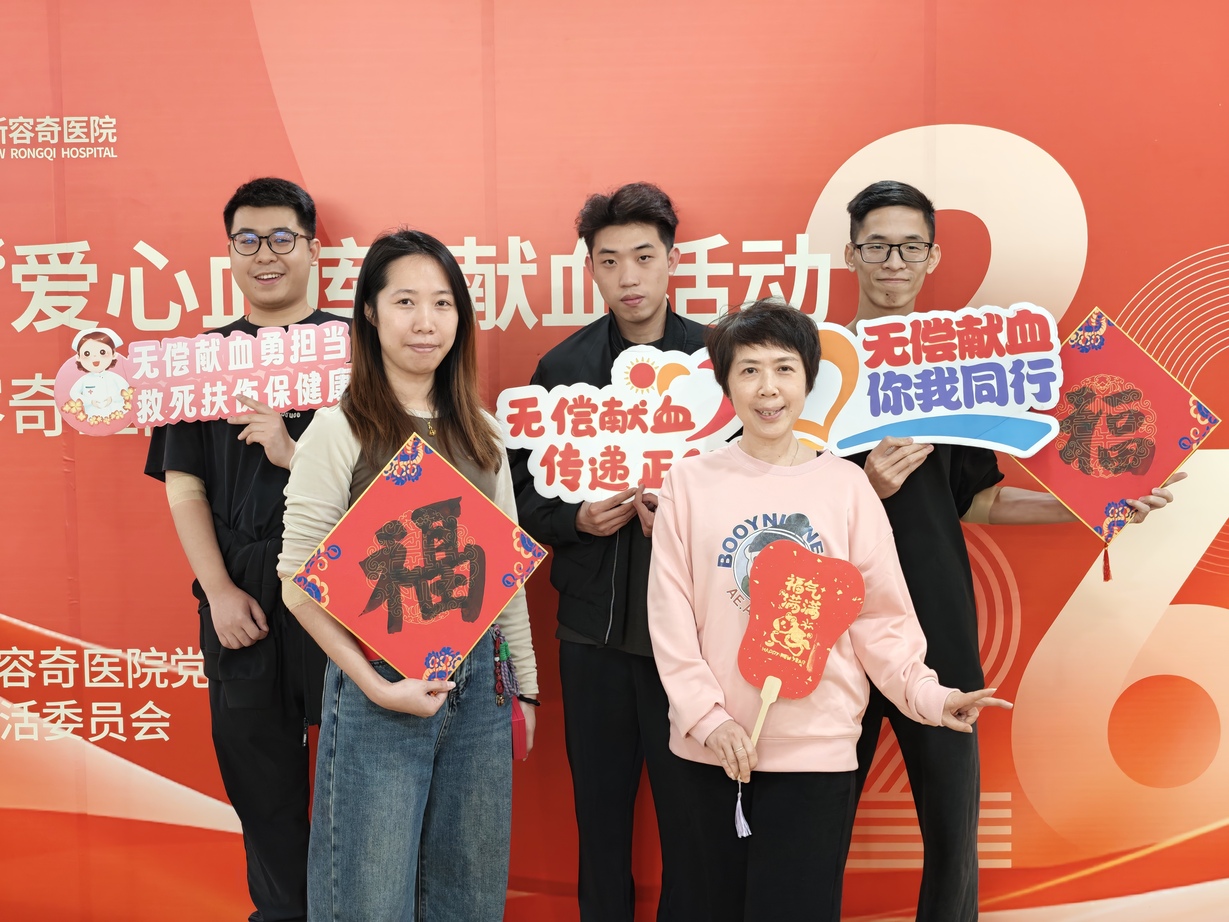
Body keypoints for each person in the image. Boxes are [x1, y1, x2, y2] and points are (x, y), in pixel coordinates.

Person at [842, 180, 1184, 922]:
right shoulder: (809, 369)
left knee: (951, 838)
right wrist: (861, 486)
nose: (893, 262)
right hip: (830, 627)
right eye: (878, 246)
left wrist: (1096, 503)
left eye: (910, 246)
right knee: (812, 828)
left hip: (937, 623)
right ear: (851, 254)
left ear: (932, 258)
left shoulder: (950, 373)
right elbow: (771, 504)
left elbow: (977, 500)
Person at [646, 300, 1011, 922]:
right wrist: (708, 720)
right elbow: (671, 619)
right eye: (749, 370)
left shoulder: (846, 486)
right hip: (714, 749)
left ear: (808, 381)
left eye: (784, 369)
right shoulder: (689, 482)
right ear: (726, 384)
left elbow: (879, 618)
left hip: (817, 752)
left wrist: (931, 697)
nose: (768, 388)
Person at [277, 228, 538, 921]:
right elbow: (297, 579)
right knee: (369, 898)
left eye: (443, 303)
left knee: (469, 895)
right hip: (377, 680)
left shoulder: (482, 431)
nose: (426, 321)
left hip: (480, 688)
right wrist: (374, 687)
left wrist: (525, 688)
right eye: (405, 302)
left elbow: (504, 573)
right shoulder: (340, 428)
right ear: (369, 312)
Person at [509, 182, 705, 921]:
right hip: (591, 633)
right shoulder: (562, 371)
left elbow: (761, 486)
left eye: (644, 257)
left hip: (693, 637)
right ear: (589, 268)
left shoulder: (718, 363)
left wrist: (688, 517)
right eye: (610, 260)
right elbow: (519, 499)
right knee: (599, 819)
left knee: (693, 822)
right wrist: (575, 519)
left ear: (672, 261)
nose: (629, 277)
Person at [145, 177, 336, 922]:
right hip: (242, 590)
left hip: (343, 580)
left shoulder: (353, 348)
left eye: (283, 238)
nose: (266, 255)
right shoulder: (202, 358)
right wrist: (218, 592)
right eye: (248, 240)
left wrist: (297, 451)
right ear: (229, 252)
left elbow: (394, 474)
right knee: (259, 777)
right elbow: (183, 487)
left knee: (365, 766)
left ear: (312, 248)